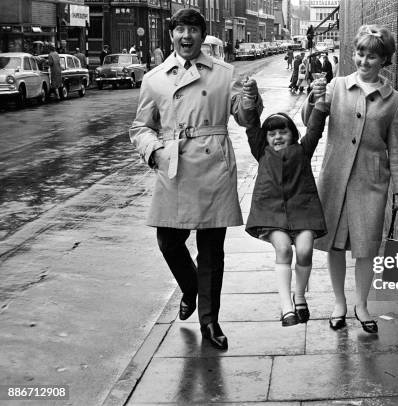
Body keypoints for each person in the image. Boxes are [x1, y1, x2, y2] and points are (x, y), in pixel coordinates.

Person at [129, 8, 263, 350]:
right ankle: (190, 288)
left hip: (212, 163)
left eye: (193, 29)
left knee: (211, 251)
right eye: (180, 30)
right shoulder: (155, 78)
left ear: (203, 36)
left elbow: (246, 119)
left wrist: (251, 99)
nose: (186, 36)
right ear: (171, 34)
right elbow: (141, 126)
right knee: (168, 242)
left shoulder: (223, 73)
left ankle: (209, 321)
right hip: (173, 164)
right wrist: (155, 152)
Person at [303, 24, 398, 334]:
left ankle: (361, 305)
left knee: (366, 246)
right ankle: (339, 303)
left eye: (372, 57)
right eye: (360, 54)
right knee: (335, 244)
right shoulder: (335, 87)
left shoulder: (394, 100)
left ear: (384, 61)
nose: (364, 61)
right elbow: (310, 123)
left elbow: (397, 148)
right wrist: (314, 100)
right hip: (336, 177)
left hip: (370, 181)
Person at [244, 106, 328, 326]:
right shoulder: (261, 152)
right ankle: (286, 307)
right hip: (271, 213)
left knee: (305, 249)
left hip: (303, 211)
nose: (277, 137)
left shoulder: (303, 150)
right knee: (282, 249)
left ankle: (299, 297)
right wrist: (250, 102)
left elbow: (316, 128)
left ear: (293, 134)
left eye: (283, 132)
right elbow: (252, 125)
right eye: (271, 134)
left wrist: (319, 105)